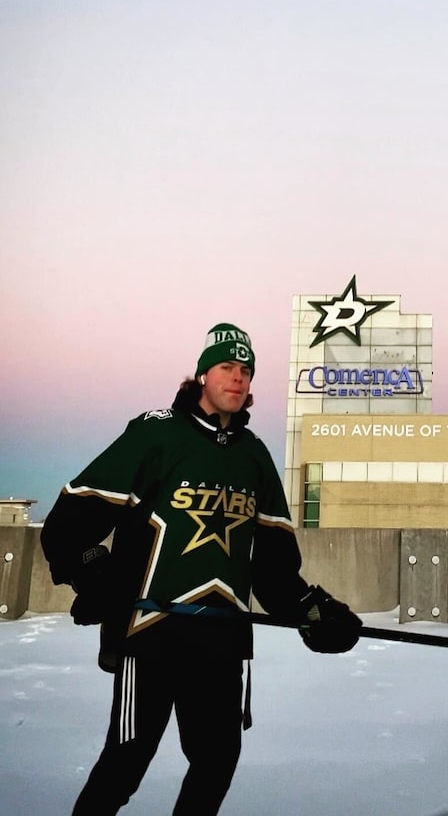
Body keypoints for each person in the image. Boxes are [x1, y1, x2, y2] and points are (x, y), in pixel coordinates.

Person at [40, 323, 362, 816]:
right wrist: (92, 575)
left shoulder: (254, 455)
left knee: (218, 761)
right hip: (150, 633)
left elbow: (273, 566)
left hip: (221, 638)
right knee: (124, 765)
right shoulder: (156, 433)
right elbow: (68, 523)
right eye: (227, 367)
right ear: (202, 374)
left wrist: (309, 608)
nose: (238, 378)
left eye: (247, 371)